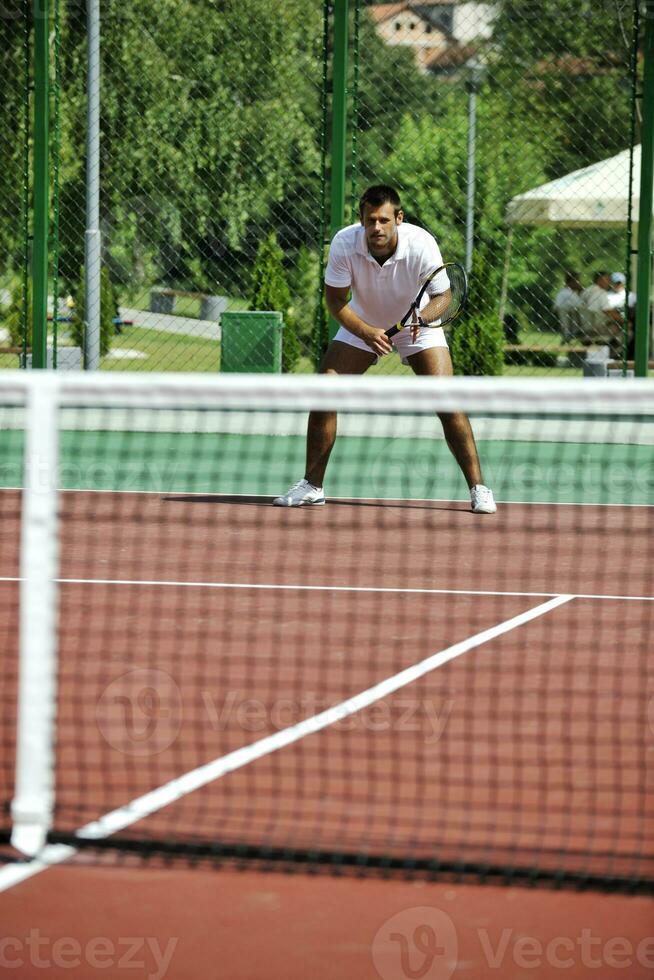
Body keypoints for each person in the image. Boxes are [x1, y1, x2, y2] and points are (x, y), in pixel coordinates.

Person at [274, 184, 496, 514]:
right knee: (325, 390)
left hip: (416, 325)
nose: (376, 227)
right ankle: (312, 486)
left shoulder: (421, 244)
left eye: (383, 220)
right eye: (370, 220)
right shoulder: (344, 243)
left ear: (399, 219)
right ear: (361, 220)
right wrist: (365, 332)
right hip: (363, 322)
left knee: (447, 399)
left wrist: (423, 316)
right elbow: (335, 302)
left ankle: (479, 488)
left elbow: (443, 297)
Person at [579, 270, 622, 344]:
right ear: (600, 280)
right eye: (607, 279)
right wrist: (623, 320)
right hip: (598, 327)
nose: (609, 282)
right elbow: (607, 311)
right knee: (625, 328)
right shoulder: (601, 293)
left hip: (584, 326)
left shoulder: (586, 291)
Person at [553, 271, 583, 341]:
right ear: (572, 282)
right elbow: (581, 306)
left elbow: (555, 308)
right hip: (571, 326)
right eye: (578, 281)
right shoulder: (568, 293)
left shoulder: (562, 292)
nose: (579, 283)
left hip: (567, 325)